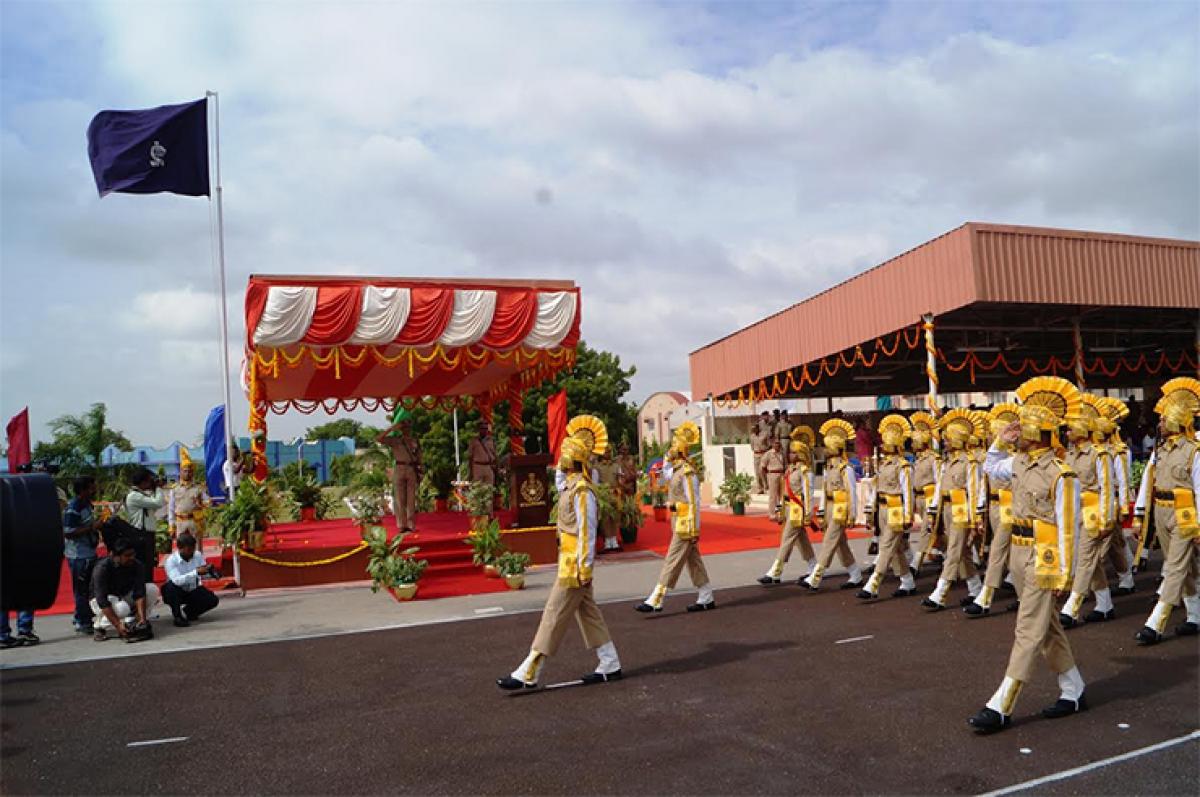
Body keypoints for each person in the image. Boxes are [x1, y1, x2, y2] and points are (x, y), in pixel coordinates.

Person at [969, 376, 1086, 734]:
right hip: (1018, 556)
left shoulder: (1062, 475)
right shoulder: (1018, 463)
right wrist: (998, 441)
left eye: (1027, 426)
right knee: (1045, 627)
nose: (1021, 430)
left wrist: (1065, 575)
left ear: (1044, 432)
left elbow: (1069, 528)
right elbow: (991, 468)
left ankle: (1002, 704)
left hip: (1043, 557)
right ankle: (1074, 688)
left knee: (1027, 631)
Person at [497, 415, 621, 689]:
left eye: (565, 455)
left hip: (574, 567)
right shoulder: (569, 487)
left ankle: (529, 670)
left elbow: (587, 534)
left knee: (553, 613)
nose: (561, 460)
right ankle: (610, 662)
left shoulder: (583, 492)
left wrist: (585, 568)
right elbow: (558, 480)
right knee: (588, 614)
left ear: (574, 460)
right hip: (567, 561)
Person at [1132, 378, 1200, 645]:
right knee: (1186, 568)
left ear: (1175, 420)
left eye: (1162, 419)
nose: (1159, 424)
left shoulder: (1195, 452)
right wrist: (1140, 515)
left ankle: (1156, 622)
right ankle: (1194, 615)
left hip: (1185, 514)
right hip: (1161, 511)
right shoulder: (1159, 451)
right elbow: (1149, 482)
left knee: (1173, 568)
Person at [636, 422, 715, 613]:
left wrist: (695, 528)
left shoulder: (688, 473)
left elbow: (694, 501)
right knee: (693, 561)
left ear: (680, 450)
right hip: (678, 521)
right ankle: (706, 596)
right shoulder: (676, 470)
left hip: (686, 524)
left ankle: (657, 598)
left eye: (673, 446)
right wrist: (665, 460)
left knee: (672, 560)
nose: (669, 449)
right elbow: (662, 481)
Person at [1059, 396, 1119, 628]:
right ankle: (1105, 605)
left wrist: (1107, 518)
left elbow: (1106, 488)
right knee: (1089, 561)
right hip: (1075, 513)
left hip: (1094, 514)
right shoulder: (1070, 454)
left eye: (1071, 428)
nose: (1067, 432)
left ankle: (1072, 607)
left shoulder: (1100, 454)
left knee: (1084, 559)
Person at [921, 409, 984, 611]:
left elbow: (974, 491)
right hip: (946, 511)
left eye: (948, 439)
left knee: (954, 553)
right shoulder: (947, 462)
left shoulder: (971, 463)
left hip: (961, 512)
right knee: (961, 552)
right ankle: (976, 589)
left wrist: (976, 520)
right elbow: (940, 487)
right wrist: (933, 512)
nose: (944, 443)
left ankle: (940, 593)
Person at [965, 404, 1022, 618]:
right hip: (994, 508)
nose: (990, 437)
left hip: (1011, 510)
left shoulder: (1016, 459)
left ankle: (984, 598)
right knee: (1011, 560)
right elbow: (985, 482)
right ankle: (1023, 597)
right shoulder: (999, 459)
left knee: (997, 553)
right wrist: (980, 511)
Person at [857, 415, 917, 600]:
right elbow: (876, 487)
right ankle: (907, 581)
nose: (883, 446)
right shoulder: (883, 464)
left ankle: (873, 584)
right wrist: (870, 509)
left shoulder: (904, 467)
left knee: (886, 546)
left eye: (886, 443)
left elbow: (908, 492)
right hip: (882, 510)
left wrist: (908, 515)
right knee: (896, 549)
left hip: (896, 510)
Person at [803, 418, 863, 591]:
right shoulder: (829, 467)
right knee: (839, 544)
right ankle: (855, 574)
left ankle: (815, 577)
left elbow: (852, 493)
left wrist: (852, 514)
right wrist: (821, 511)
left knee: (829, 542)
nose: (825, 450)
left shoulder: (847, 468)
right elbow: (824, 491)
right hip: (830, 508)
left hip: (840, 509)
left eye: (828, 447)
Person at [759, 437, 816, 585]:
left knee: (786, 540)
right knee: (801, 541)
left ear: (801, 454)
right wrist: (780, 509)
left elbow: (808, 495)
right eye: (790, 452)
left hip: (798, 511)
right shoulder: (790, 469)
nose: (789, 455)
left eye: (793, 452)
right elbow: (784, 491)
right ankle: (813, 565)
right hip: (789, 508)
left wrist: (808, 515)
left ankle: (775, 572)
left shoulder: (805, 472)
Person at [90, 538, 161, 642]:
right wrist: (118, 625)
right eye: (127, 555)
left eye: (133, 554)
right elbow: (102, 601)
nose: (132, 558)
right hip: (101, 600)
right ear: (115, 556)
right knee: (123, 608)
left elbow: (140, 593)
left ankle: (134, 622)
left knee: (152, 589)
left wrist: (142, 619)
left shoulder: (137, 565)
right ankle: (99, 626)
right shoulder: (102, 568)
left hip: (122, 595)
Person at [62, 475, 102, 634]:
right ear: (84, 490)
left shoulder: (87, 505)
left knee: (89, 587)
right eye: (92, 487)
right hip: (78, 555)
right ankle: (82, 621)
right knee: (81, 589)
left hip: (89, 552)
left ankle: (82, 614)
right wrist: (92, 527)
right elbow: (69, 532)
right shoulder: (74, 508)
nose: (95, 490)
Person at [162, 533, 220, 627]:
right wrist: (196, 572)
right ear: (180, 548)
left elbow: (203, 570)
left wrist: (211, 572)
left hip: (192, 588)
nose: (192, 552)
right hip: (176, 591)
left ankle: (189, 612)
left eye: (193, 549)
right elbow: (177, 580)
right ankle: (177, 616)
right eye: (189, 550)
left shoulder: (197, 555)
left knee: (212, 600)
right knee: (170, 587)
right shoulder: (171, 561)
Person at [909, 412, 943, 569]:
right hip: (920, 498)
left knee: (926, 531)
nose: (912, 444)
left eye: (915, 441)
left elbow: (939, 481)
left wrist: (936, 503)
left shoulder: (933, 459)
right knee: (939, 532)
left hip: (930, 498)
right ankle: (951, 555)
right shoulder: (917, 459)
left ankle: (916, 563)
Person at [377, 419, 423, 533]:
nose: (407, 430)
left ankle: (411, 524)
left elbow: (419, 456)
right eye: (404, 428)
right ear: (401, 430)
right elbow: (379, 439)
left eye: (408, 427)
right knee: (399, 498)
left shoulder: (414, 441)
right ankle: (402, 525)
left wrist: (421, 471)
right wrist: (392, 429)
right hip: (399, 467)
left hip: (411, 468)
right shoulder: (396, 441)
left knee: (411, 498)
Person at [125, 467, 165, 583]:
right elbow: (158, 503)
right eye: (149, 480)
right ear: (143, 482)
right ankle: (144, 592)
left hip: (146, 534)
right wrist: (157, 488)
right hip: (141, 534)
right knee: (144, 565)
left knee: (148, 565)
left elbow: (154, 505)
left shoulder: (141, 494)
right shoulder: (134, 496)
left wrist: (154, 488)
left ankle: (148, 590)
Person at [169, 449, 208, 542]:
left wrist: (201, 504)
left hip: (194, 521)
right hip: (180, 522)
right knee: (181, 549)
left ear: (192, 472)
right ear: (181, 472)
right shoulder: (175, 489)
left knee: (197, 550)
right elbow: (171, 509)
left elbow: (208, 502)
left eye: (189, 471)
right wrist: (171, 526)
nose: (187, 473)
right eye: (185, 471)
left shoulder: (198, 488)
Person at [594, 448, 622, 552]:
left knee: (615, 517)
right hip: (604, 495)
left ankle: (614, 539)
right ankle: (607, 540)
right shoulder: (597, 467)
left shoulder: (616, 466)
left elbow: (619, 480)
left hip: (615, 494)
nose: (608, 454)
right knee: (605, 518)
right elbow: (595, 483)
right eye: (606, 452)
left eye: (609, 451)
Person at [762, 438, 786, 522]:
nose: (777, 445)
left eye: (778, 443)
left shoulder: (782, 453)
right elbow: (763, 466)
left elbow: (784, 464)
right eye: (775, 443)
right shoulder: (768, 454)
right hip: (772, 474)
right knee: (773, 496)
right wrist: (767, 476)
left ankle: (781, 513)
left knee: (782, 496)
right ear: (772, 444)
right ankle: (772, 514)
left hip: (781, 474)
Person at [469, 422, 497, 487]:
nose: (484, 430)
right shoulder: (474, 441)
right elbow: (470, 456)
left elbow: (495, 454)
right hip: (478, 466)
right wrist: (471, 472)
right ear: (479, 429)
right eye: (482, 428)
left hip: (488, 466)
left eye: (486, 428)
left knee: (489, 488)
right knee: (478, 488)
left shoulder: (491, 440)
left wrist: (496, 467)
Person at [750, 416, 771, 495]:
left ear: (758, 428)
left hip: (763, 454)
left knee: (763, 471)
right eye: (753, 429)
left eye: (755, 428)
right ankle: (760, 488)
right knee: (757, 472)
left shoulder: (764, 434)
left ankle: (766, 486)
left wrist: (765, 451)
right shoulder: (752, 436)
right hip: (756, 455)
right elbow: (752, 446)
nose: (754, 430)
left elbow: (768, 444)